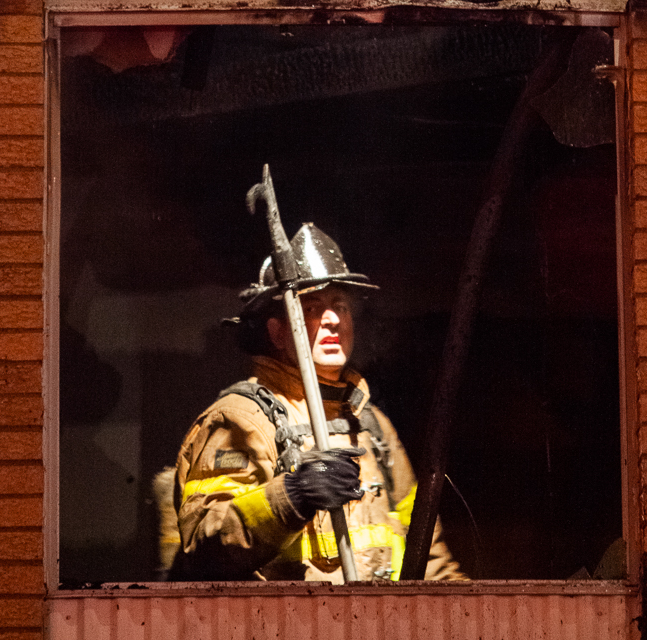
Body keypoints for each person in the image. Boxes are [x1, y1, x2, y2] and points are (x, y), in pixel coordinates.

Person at [170, 223, 465, 582]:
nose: (332, 319)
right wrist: (291, 497)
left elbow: (429, 555)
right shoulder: (241, 421)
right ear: (278, 333)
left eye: (340, 305)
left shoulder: (371, 425)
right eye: (311, 308)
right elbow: (204, 551)